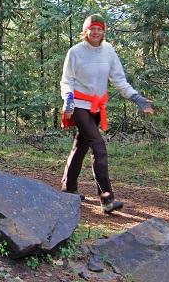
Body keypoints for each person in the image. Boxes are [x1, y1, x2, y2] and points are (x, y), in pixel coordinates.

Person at [60, 14, 154, 214]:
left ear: (104, 31)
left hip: (96, 107)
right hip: (78, 105)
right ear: (85, 31)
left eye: (99, 29)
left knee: (80, 146)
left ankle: (68, 187)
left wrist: (137, 98)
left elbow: (119, 80)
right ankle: (107, 200)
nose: (95, 32)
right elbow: (67, 80)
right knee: (99, 147)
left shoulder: (109, 51)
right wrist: (68, 99)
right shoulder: (75, 52)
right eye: (92, 29)